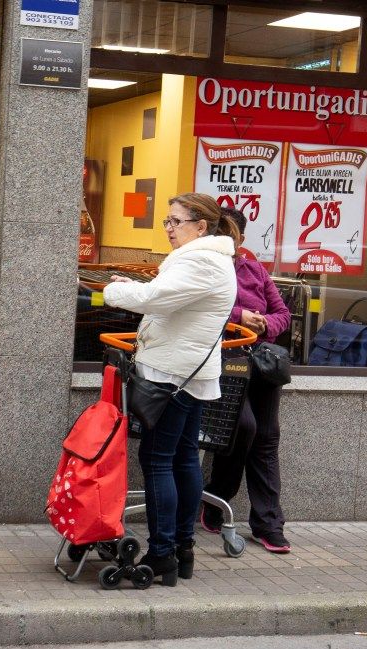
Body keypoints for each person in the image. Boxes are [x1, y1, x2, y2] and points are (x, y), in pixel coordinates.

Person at [102, 193, 239, 586]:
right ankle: (182, 550)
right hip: (189, 375)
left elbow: (155, 300)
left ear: (201, 227)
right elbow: (170, 296)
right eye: (166, 221)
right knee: (182, 459)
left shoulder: (201, 260)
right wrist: (138, 286)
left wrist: (115, 292)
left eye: (175, 222)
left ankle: (163, 553)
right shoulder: (210, 260)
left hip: (171, 376)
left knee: (160, 459)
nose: (169, 229)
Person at [201, 208, 293, 554]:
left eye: (234, 235)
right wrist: (241, 317)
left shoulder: (255, 269)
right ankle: (216, 498)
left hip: (261, 362)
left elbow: (282, 313)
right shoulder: (206, 267)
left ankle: (269, 524)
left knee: (267, 437)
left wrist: (266, 325)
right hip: (226, 361)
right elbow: (200, 305)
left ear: (241, 237)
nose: (229, 242)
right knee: (243, 427)